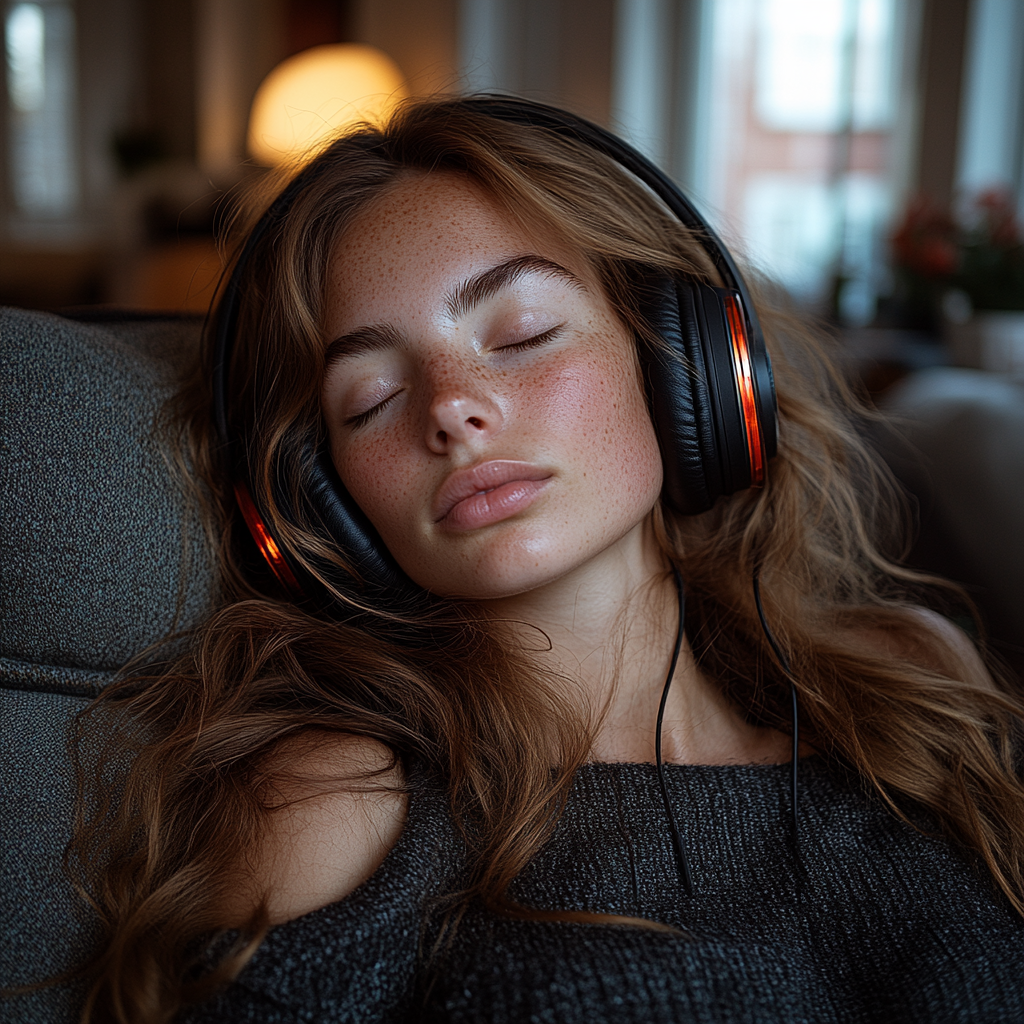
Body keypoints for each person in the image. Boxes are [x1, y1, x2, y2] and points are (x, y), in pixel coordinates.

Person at [69, 97, 1024, 1024]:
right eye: (368, 400)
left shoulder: (912, 686)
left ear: (681, 363)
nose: (451, 406)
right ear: (326, 508)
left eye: (522, 335)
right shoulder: (341, 809)